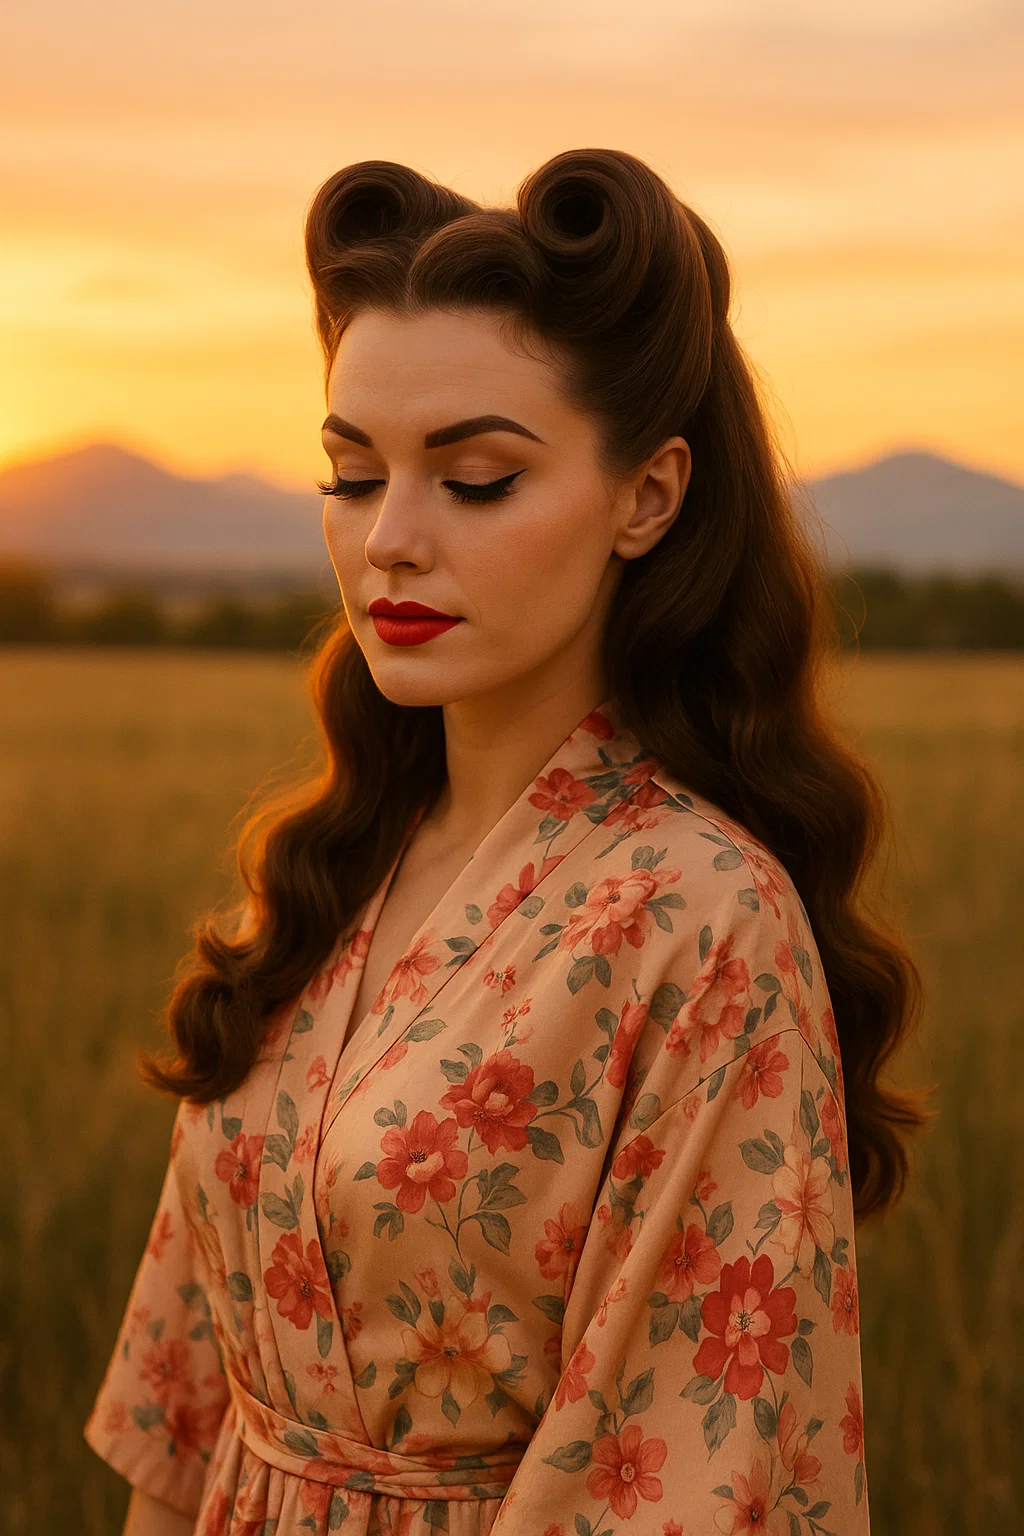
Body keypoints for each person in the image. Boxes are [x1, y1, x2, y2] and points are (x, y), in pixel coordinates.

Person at [84, 147, 922, 1536]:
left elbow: (683, 1483)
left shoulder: (705, 921)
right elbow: (192, 1416)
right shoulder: (320, 872)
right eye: (353, 477)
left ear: (647, 499)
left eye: (475, 480)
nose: (391, 542)